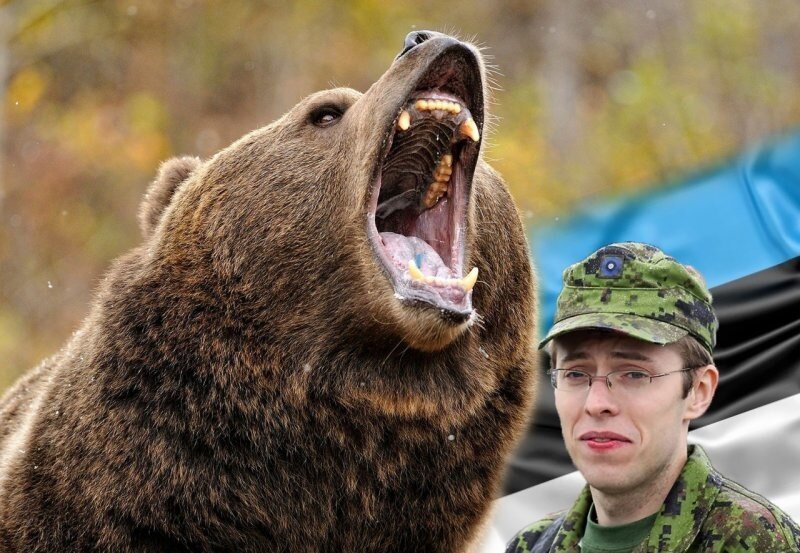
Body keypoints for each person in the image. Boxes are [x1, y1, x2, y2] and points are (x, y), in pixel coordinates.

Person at [506, 242, 800, 553]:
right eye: (576, 374)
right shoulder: (530, 546)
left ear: (698, 392)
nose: (596, 403)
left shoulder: (755, 542)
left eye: (633, 374)